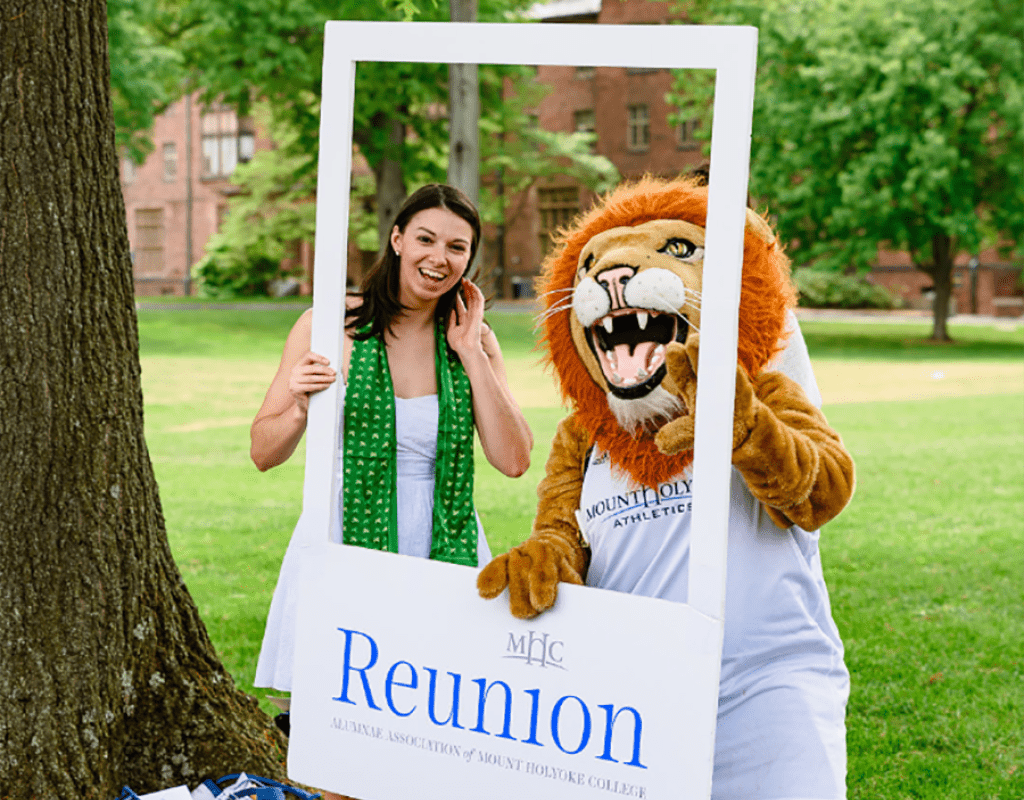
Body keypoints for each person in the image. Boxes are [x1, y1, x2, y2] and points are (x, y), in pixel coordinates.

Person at [251, 184, 533, 800]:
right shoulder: (332, 325)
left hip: (447, 547)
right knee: (344, 742)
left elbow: (513, 459)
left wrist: (472, 353)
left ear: (470, 259)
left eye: (458, 247)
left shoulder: (473, 339)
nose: (440, 257)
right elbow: (263, 451)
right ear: (398, 239)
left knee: (440, 741)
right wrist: (299, 402)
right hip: (343, 539)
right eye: (426, 238)